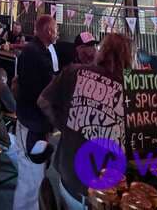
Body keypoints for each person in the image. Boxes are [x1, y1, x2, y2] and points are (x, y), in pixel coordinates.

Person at [38, 32, 130, 209]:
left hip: (70, 177)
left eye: (93, 47)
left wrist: (65, 126)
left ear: (101, 51)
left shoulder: (73, 72)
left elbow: (43, 102)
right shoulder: (132, 89)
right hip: (110, 191)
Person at [13, 14, 59, 210]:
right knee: (30, 181)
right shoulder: (37, 54)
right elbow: (44, 93)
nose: (57, 34)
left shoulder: (33, 50)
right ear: (48, 30)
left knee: (33, 177)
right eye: (56, 30)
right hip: (32, 123)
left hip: (31, 121)